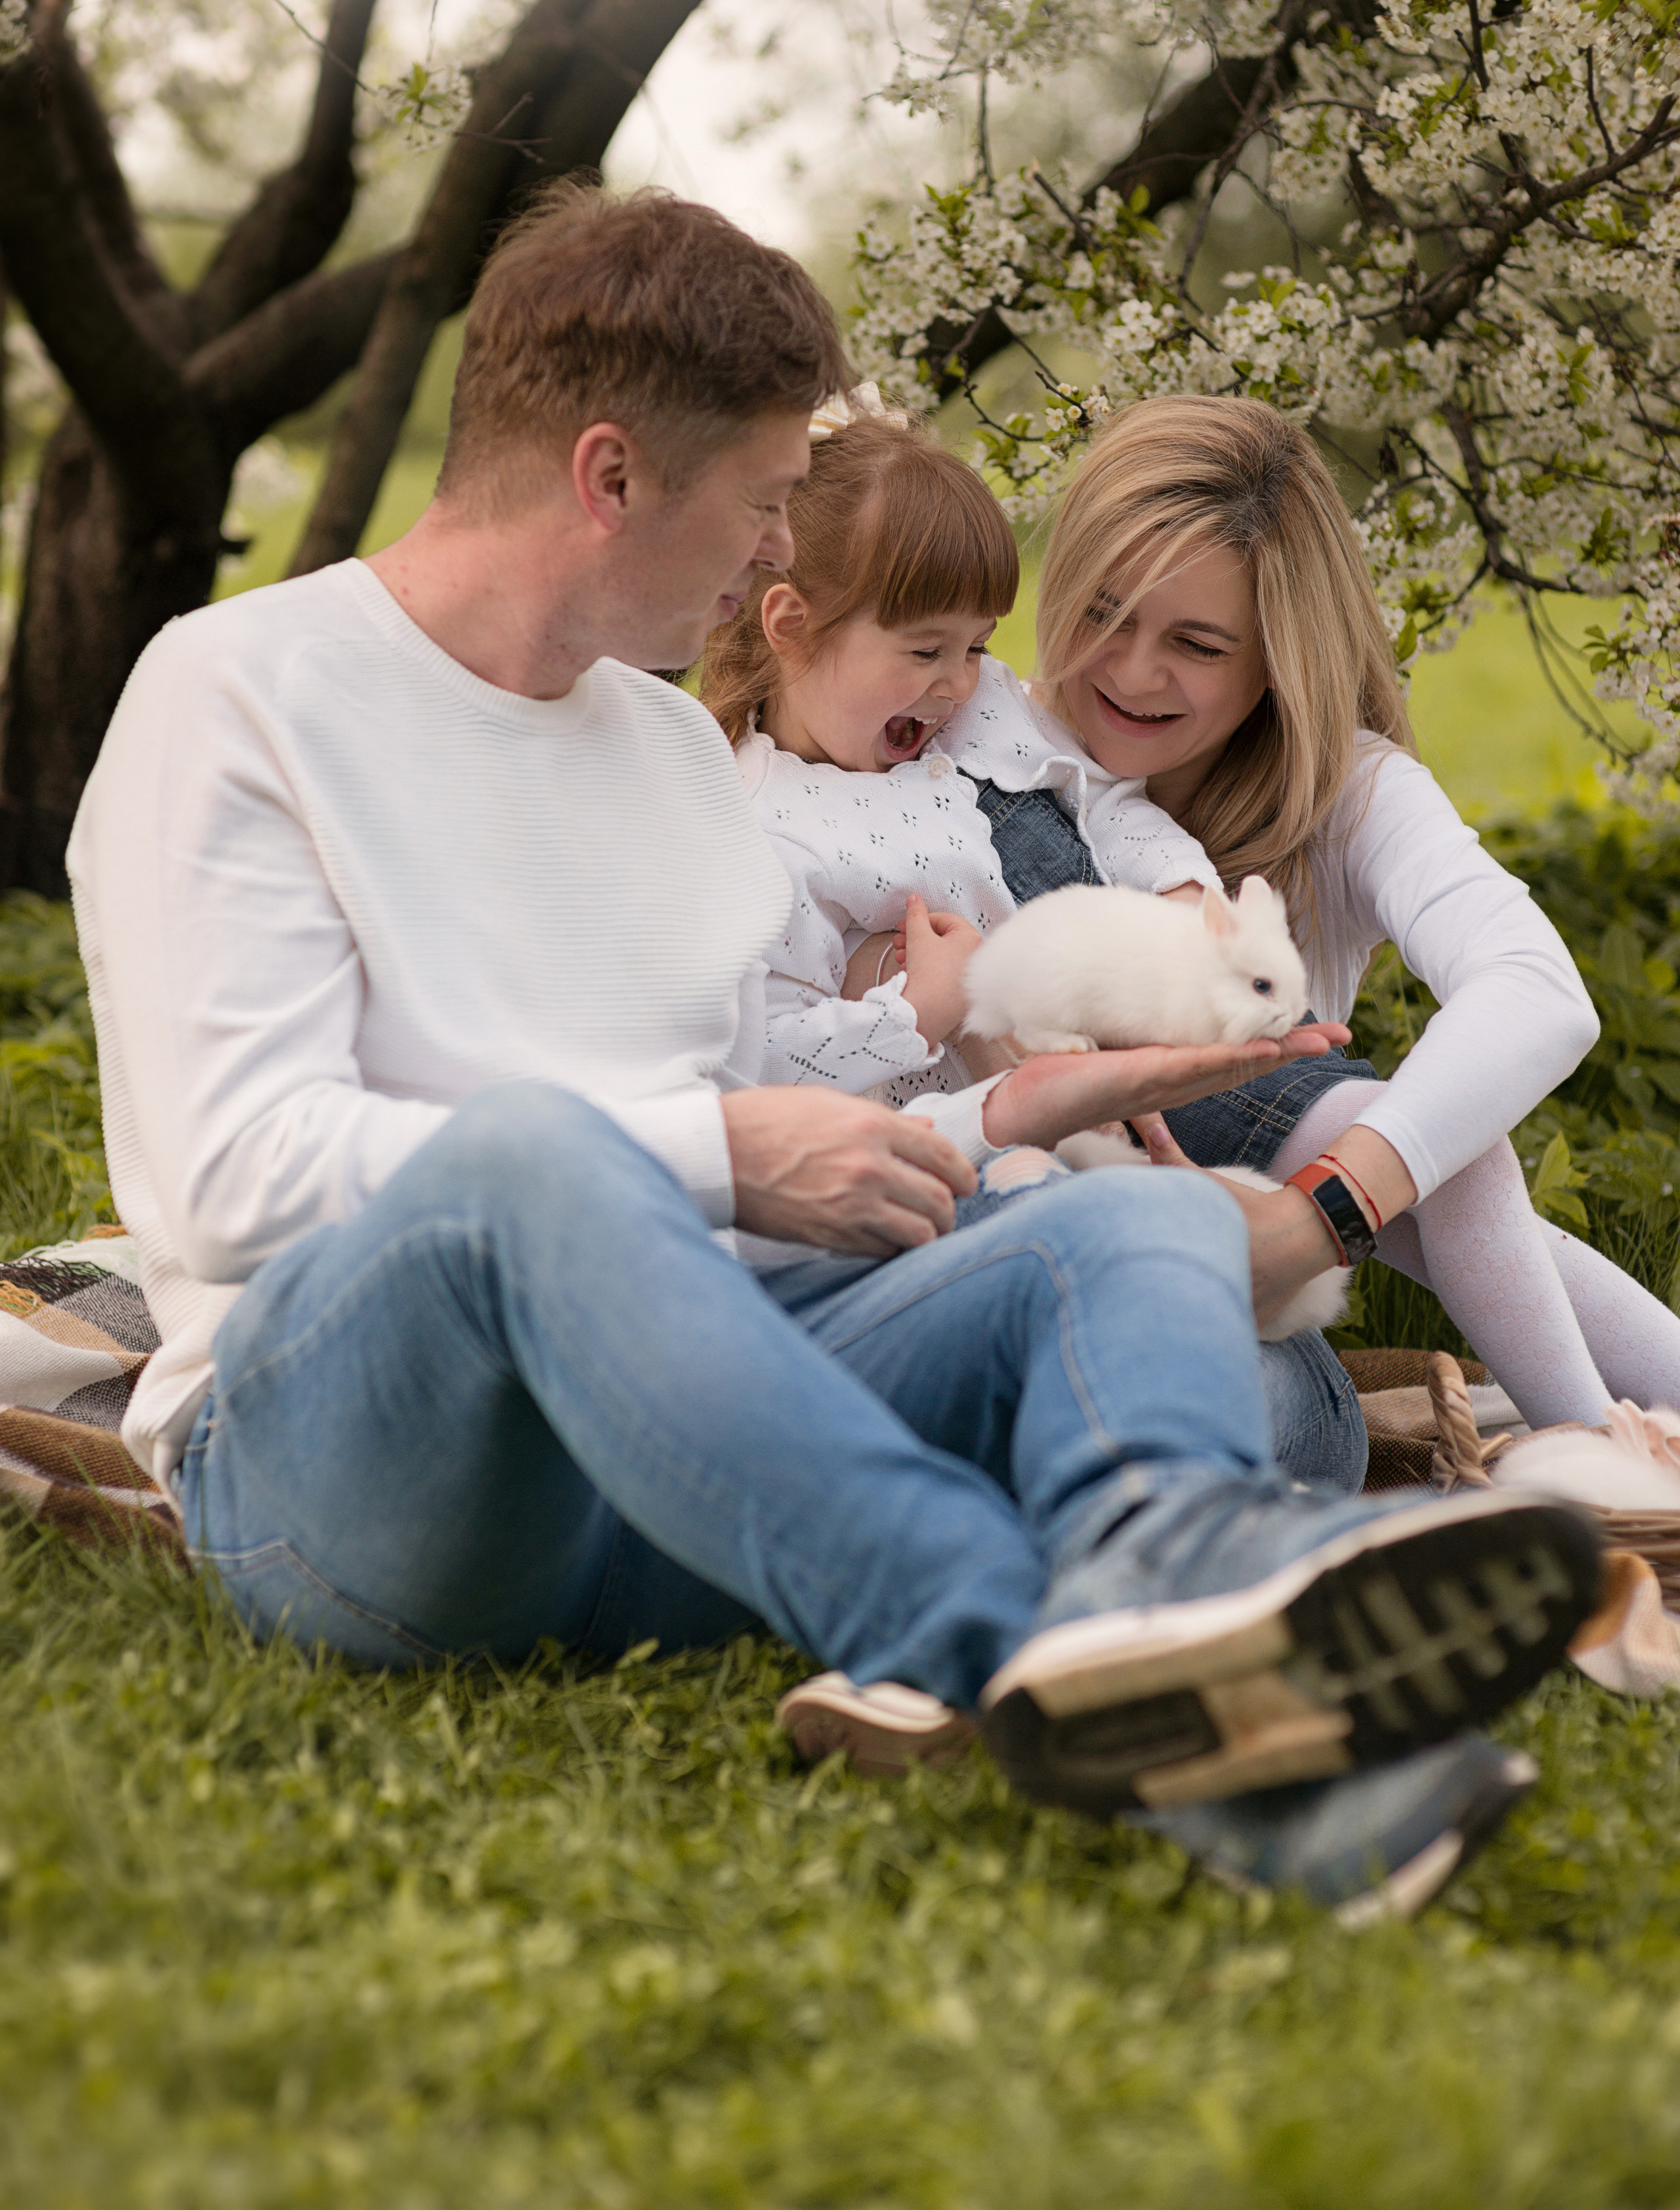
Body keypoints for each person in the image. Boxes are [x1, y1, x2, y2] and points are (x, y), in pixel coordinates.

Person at [66, 188, 1599, 1915]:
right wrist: (720, 1155)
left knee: (1140, 1226)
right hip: (360, 1474)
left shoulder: (666, 752)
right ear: (611, 475)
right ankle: (1027, 1628)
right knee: (536, 1152)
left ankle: (1188, 1599)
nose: (784, 553)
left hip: (684, 1456)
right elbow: (227, 1177)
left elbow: (768, 1134)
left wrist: (1011, 1116)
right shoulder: (241, 692)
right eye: (770, 495)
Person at [698, 399, 1366, 1491]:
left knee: (1305, 1408)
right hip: (924, 1186)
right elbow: (769, 1066)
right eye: (926, 650)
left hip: (1068, 1133)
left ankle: (1154, 1456)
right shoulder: (761, 831)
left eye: (975, 645)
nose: (960, 680)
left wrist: (1184, 888)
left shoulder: (970, 721)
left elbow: (1106, 804)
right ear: (788, 623)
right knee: (1208, 1356)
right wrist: (914, 1013)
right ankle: (1107, 1473)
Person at [1021, 392, 1679, 1431]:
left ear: (1279, 657)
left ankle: (1610, 1451)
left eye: (1196, 643)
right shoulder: (997, 765)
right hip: (1033, 1214)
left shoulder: (1342, 794)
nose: (1130, 671)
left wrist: (1315, 1217)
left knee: (1420, 1151)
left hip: (1237, 1272)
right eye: (1102, 611)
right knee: (1416, 1149)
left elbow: (1538, 990)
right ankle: (1604, 1444)